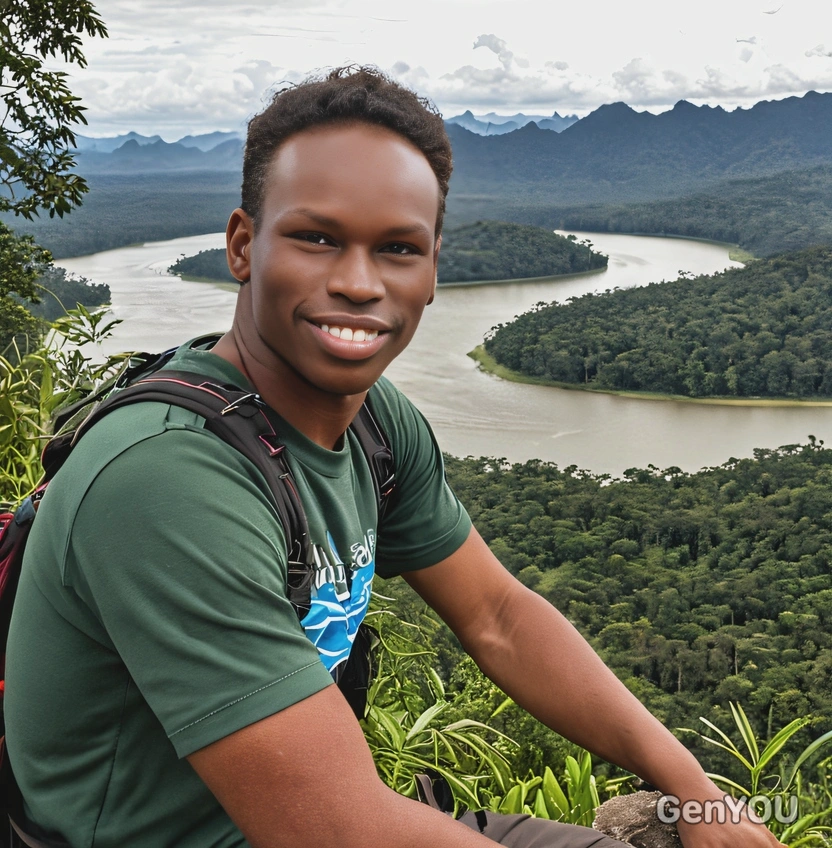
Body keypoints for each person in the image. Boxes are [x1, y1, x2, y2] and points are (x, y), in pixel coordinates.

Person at [4, 68, 782, 848]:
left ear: (434, 267)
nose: (358, 283)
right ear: (243, 246)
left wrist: (696, 795)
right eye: (316, 238)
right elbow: (341, 830)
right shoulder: (165, 478)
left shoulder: (375, 425)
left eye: (398, 249)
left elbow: (499, 617)